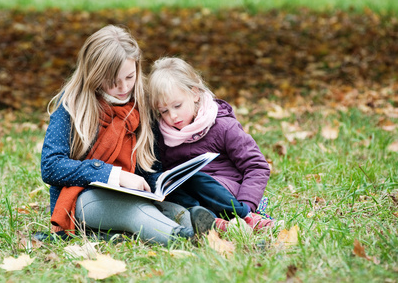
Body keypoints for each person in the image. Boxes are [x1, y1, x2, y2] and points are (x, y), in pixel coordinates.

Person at [40, 26, 215, 245]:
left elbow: (146, 167)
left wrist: (157, 183)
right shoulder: (72, 104)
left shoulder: (141, 102)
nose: (123, 87)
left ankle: (212, 232)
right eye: (113, 81)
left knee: (173, 209)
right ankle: (182, 239)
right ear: (94, 74)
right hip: (80, 199)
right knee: (136, 212)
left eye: (130, 77)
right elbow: (51, 166)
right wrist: (113, 175)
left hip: (132, 195)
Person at [147, 57, 276, 231]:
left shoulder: (222, 126)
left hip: (227, 193)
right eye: (164, 111)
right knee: (170, 186)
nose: (172, 116)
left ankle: (245, 217)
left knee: (195, 178)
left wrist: (248, 203)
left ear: (194, 93)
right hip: (192, 197)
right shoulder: (163, 135)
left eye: (177, 106)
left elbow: (257, 166)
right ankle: (212, 222)